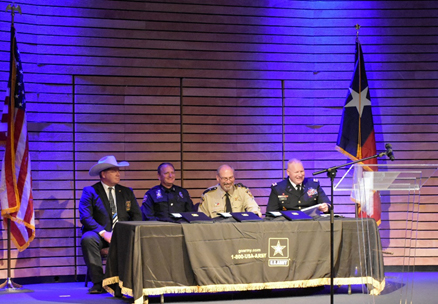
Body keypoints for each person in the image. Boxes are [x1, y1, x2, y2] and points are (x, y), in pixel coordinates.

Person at [79, 155, 142, 294]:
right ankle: (98, 282)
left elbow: (137, 216)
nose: (118, 174)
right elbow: (85, 217)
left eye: (118, 170)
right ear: (103, 174)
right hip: (100, 235)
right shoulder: (90, 191)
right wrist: (104, 233)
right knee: (88, 239)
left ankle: (127, 282)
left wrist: (125, 232)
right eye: (114, 171)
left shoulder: (127, 192)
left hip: (123, 234)